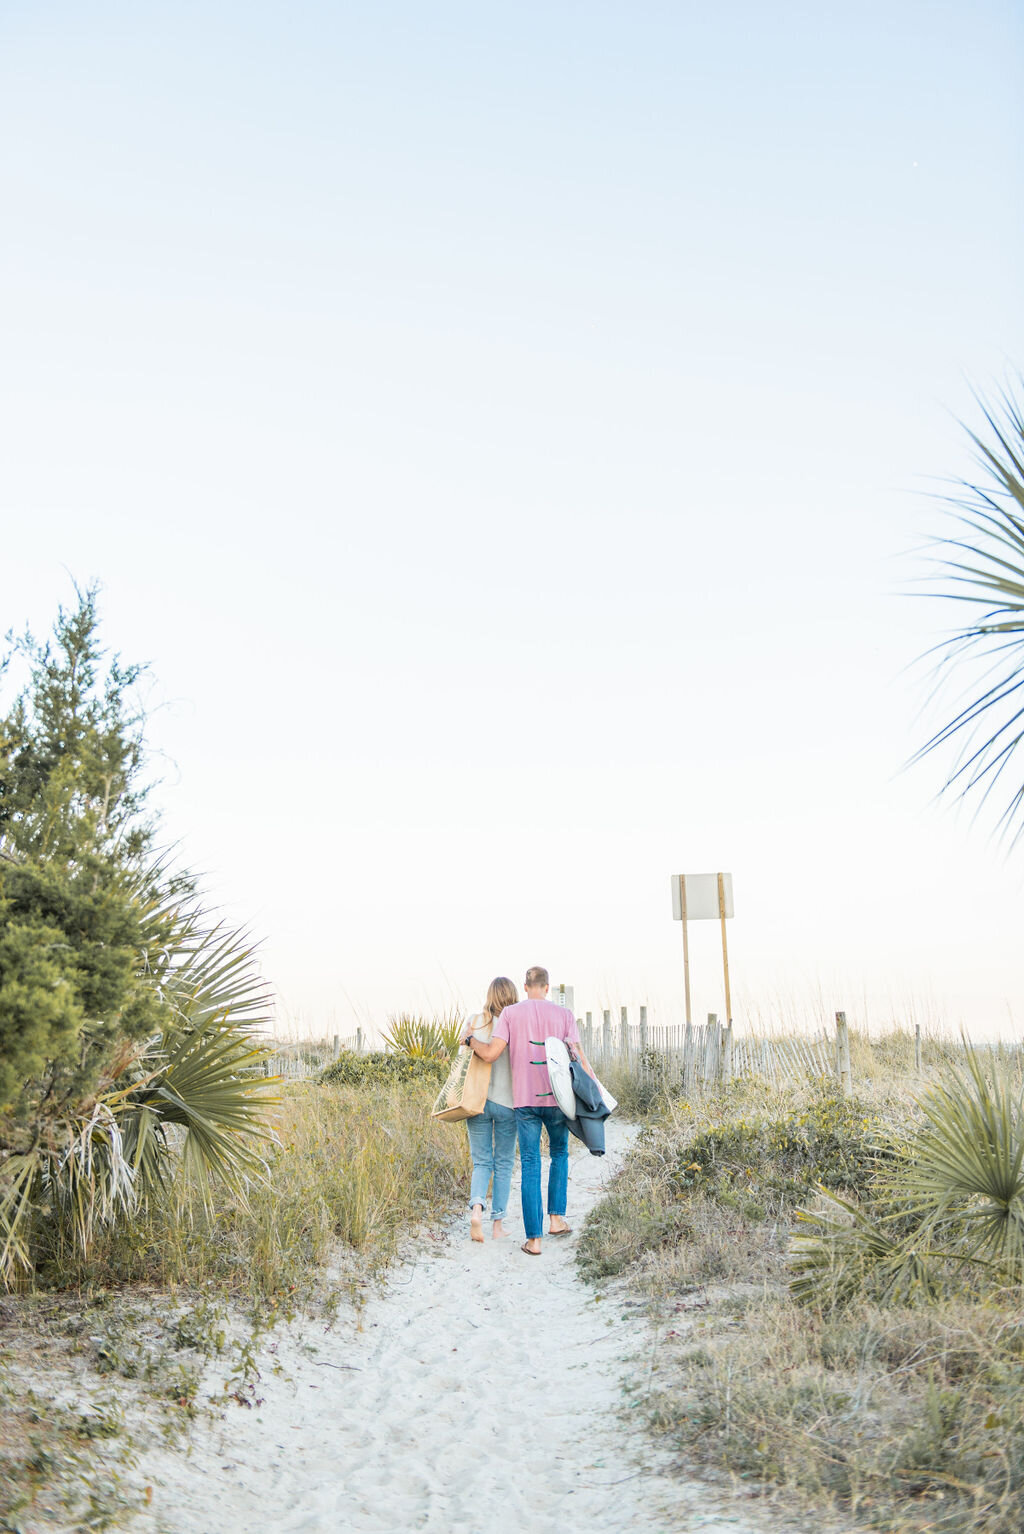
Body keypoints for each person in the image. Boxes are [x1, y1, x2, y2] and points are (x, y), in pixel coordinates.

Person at [463, 965, 597, 1256]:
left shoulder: (511, 1014)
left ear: (525, 987)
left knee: (531, 1163)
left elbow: (491, 1054)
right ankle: (556, 1220)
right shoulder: (564, 1015)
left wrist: (471, 1040)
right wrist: (594, 1089)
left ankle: (534, 1240)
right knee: (560, 1154)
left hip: (524, 1102)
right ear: (548, 987)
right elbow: (577, 1056)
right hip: (559, 1100)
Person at [463, 976, 519, 1243]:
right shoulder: (516, 1024)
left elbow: (462, 1058)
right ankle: (497, 1225)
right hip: (508, 1103)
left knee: (482, 1160)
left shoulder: (473, 1022)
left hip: (476, 1100)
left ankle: (476, 1210)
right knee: (504, 1162)